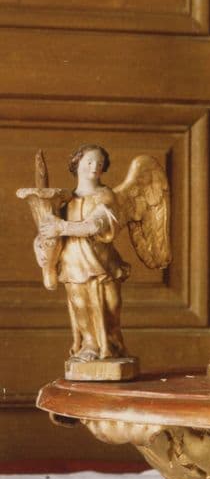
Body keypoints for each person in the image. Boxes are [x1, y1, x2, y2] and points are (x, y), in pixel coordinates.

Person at [39, 144, 130, 361]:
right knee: (80, 305)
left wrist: (62, 227)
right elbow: (46, 231)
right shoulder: (65, 200)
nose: (94, 167)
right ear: (76, 164)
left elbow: (95, 225)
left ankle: (112, 344)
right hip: (73, 261)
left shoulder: (105, 195)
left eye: (99, 163)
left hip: (102, 261)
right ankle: (90, 345)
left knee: (111, 306)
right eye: (89, 162)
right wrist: (40, 247)